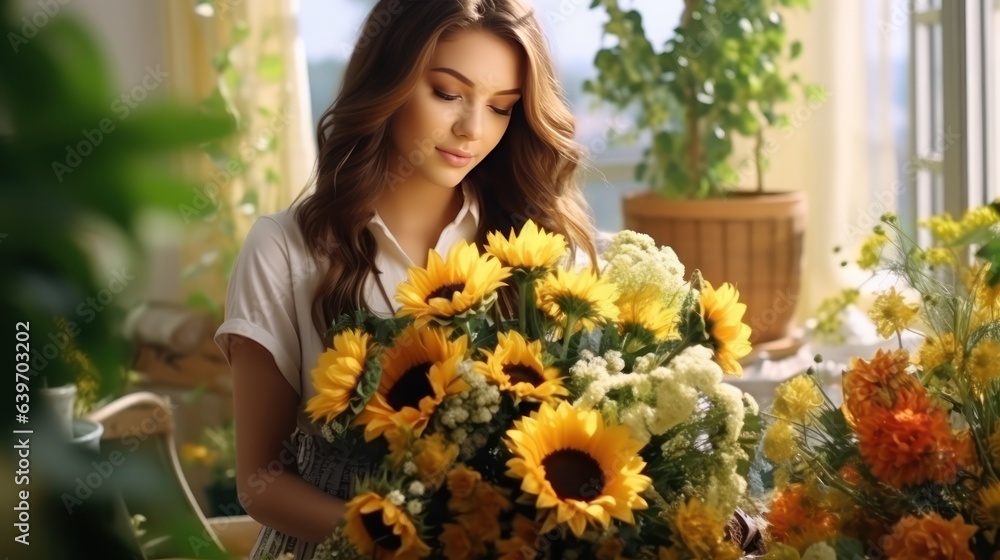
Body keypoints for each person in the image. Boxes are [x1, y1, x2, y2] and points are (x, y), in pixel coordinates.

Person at [214, 0, 598, 557]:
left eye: (502, 107)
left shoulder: (543, 247)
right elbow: (259, 483)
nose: (472, 128)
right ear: (385, 81)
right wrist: (406, 542)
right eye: (446, 93)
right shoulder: (285, 248)